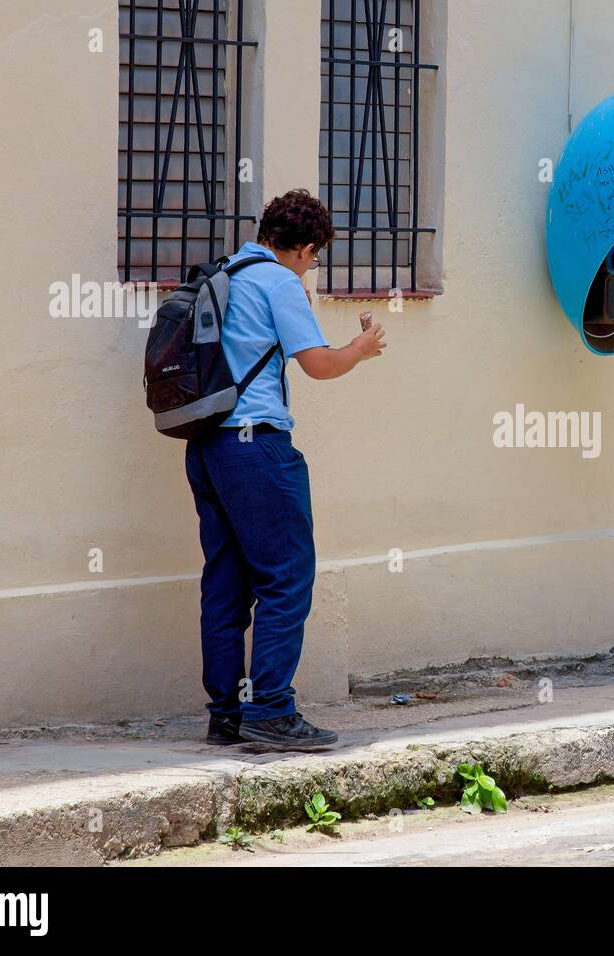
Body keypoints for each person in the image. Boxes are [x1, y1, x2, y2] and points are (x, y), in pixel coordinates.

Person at [184, 188, 386, 749]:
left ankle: (227, 715)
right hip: (259, 450)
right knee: (286, 577)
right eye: (315, 257)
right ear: (302, 247)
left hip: (207, 446)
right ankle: (270, 710)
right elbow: (318, 365)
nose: (312, 268)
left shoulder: (225, 273)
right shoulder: (278, 281)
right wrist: (361, 347)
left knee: (225, 582)